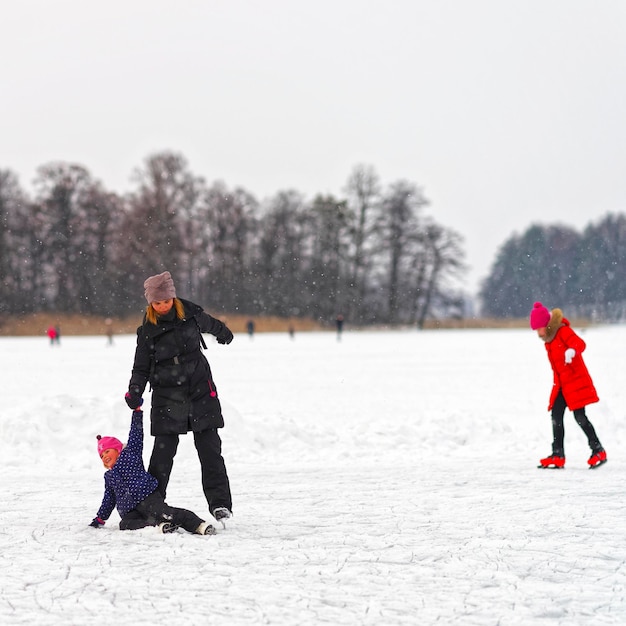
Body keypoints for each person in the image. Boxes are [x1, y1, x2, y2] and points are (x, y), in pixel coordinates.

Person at [125, 271, 234, 524]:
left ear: (172, 297)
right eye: (157, 303)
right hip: (166, 392)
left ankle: (220, 504)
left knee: (209, 449)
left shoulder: (192, 316)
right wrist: (135, 390)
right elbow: (140, 367)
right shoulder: (147, 331)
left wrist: (223, 332)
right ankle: (152, 504)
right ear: (151, 303)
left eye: (165, 301)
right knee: (163, 454)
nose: (162, 306)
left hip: (198, 388)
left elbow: (212, 325)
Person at [89, 404, 216, 535]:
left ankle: (198, 525)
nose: (104, 457)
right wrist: (101, 518)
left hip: (146, 497)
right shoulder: (109, 476)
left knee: (166, 513)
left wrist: (137, 413)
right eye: (102, 455)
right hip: (130, 512)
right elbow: (109, 498)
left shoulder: (130, 454)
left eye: (107, 451)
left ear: (118, 449)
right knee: (125, 524)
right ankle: (159, 526)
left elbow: (136, 435)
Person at [530, 301, 607, 469]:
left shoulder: (563, 331)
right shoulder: (549, 341)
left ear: (546, 325)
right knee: (556, 416)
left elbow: (580, 344)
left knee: (580, 417)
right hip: (562, 385)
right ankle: (558, 454)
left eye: (538, 328)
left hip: (576, 382)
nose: (538, 333)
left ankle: (598, 450)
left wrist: (571, 350)